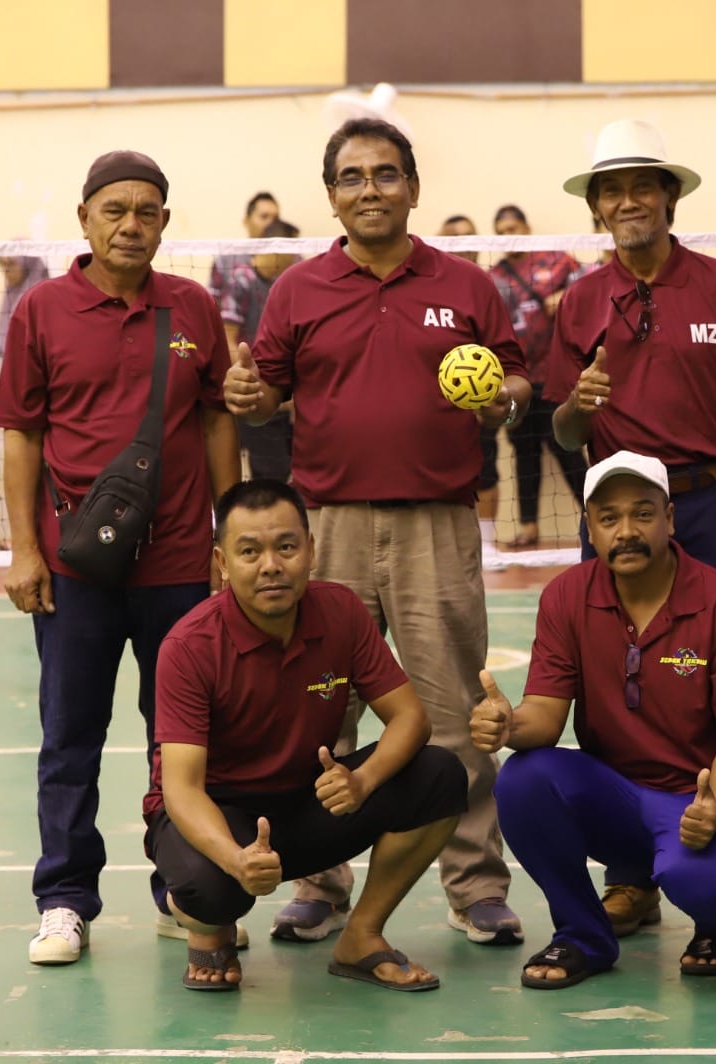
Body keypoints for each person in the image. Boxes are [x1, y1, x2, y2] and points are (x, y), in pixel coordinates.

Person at [225, 118, 532, 947]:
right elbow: (267, 391)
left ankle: (475, 886)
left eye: (386, 174)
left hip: (438, 520)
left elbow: (517, 377)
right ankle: (318, 881)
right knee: (320, 714)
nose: (370, 189)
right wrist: (251, 398)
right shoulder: (298, 291)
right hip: (329, 528)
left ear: (412, 187)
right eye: (354, 177)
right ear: (332, 195)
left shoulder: (467, 285)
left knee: (452, 708)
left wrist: (506, 395)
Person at [0, 149, 242, 966]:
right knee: (71, 736)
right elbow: (23, 435)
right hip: (75, 569)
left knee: (181, 739)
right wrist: (26, 550)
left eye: (147, 212)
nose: (131, 224)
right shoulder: (41, 311)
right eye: (115, 210)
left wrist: (226, 537)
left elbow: (215, 423)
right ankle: (65, 900)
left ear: (164, 223)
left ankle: (180, 889)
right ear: (85, 219)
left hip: (177, 564)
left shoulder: (195, 309)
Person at [147, 479, 467, 992]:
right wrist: (236, 860)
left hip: (299, 807)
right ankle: (207, 929)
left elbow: (411, 718)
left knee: (441, 774)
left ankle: (361, 936)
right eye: (249, 551)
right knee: (211, 890)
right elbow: (181, 789)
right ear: (221, 563)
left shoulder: (340, 611)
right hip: (215, 814)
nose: (271, 565)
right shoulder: (189, 646)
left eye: (286, 546)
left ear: (311, 551)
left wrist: (362, 782)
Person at [471, 451, 716, 988]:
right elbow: (546, 715)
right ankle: (584, 937)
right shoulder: (566, 596)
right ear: (590, 527)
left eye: (642, 514)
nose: (625, 531)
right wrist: (509, 724)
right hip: (614, 799)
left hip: (696, 799)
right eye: (608, 518)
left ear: (670, 519)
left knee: (700, 884)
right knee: (521, 779)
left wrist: (715, 806)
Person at [549, 118, 716, 601]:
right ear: (596, 206)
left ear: (669, 196)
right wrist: (578, 403)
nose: (627, 202)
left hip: (714, 506)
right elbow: (567, 435)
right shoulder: (578, 300)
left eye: (642, 188)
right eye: (612, 191)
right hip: (618, 509)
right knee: (614, 656)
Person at [489, 204, 587, 547]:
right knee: (524, 453)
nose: (508, 236)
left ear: (527, 228)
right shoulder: (493, 278)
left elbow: (593, 286)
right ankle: (529, 526)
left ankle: (593, 514)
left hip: (556, 377)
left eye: (513, 228)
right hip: (517, 381)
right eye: (501, 231)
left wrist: (567, 296)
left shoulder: (556, 260)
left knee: (567, 450)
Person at [436, 215, 506, 565]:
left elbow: (505, 353)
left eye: (468, 236)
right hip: (435, 415)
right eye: (454, 237)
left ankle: (489, 542)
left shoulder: (489, 287)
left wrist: (502, 400)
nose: (463, 244)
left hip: (479, 404)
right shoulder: (430, 286)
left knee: (488, 468)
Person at [219, 218, 301, 483]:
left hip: (282, 398)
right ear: (275, 250)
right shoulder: (241, 281)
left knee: (285, 470)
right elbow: (228, 338)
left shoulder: (288, 283)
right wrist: (253, 381)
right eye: (290, 252)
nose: (295, 257)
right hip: (255, 390)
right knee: (270, 473)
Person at [208, 191, 280, 302]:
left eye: (275, 219)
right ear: (247, 221)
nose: (271, 223)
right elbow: (213, 304)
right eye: (264, 217)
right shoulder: (224, 260)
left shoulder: (291, 259)